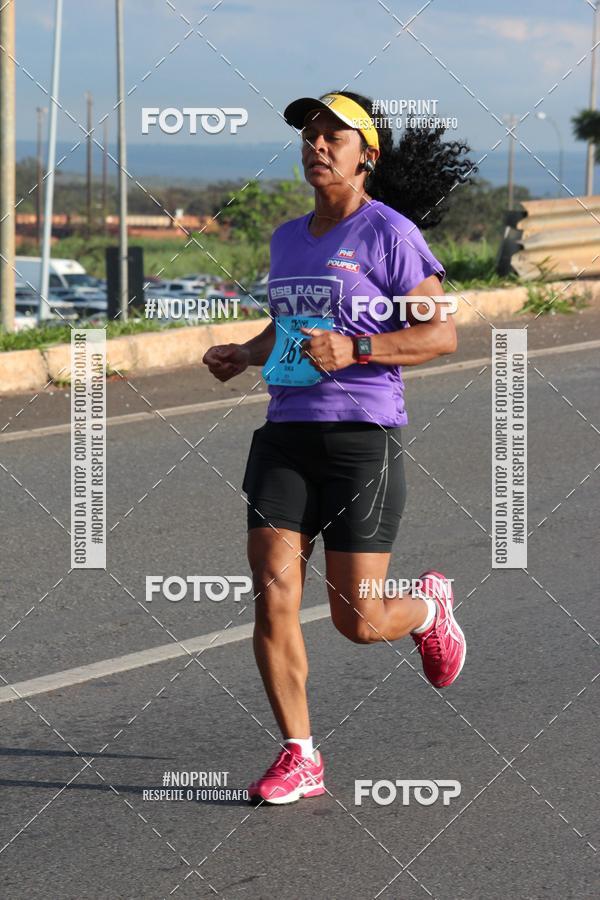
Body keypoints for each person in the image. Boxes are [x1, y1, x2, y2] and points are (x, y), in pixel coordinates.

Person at [203, 91, 476, 806]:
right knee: (273, 594)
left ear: (366, 156)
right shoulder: (288, 237)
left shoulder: (391, 234)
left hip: (362, 441)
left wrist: (357, 347)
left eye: (334, 135)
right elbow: (289, 326)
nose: (317, 145)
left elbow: (440, 334)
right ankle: (301, 754)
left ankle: (425, 609)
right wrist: (246, 351)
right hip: (286, 436)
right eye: (310, 136)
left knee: (360, 620)